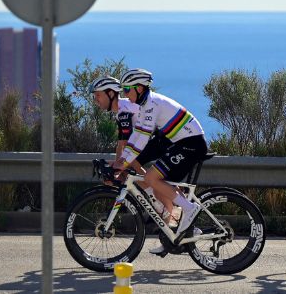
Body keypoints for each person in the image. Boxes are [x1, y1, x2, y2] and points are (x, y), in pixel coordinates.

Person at [114, 68, 209, 254]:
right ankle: (175, 235)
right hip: (181, 143)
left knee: (151, 178)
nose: (125, 94)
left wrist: (123, 163)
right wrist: (122, 160)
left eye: (127, 89)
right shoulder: (144, 106)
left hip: (191, 144)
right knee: (159, 186)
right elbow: (136, 138)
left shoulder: (152, 105)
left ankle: (190, 209)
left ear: (139, 88)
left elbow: (141, 140)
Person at [89, 76, 171, 221]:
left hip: (163, 140)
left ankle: (155, 201)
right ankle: (159, 203)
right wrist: (117, 169)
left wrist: (118, 169)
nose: (96, 100)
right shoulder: (121, 109)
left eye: (98, 95)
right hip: (154, 139)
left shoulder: (124, 111)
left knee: (131, 163)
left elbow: (127, 145)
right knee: (129, 165)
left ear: (111, 93)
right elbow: (121, 144)